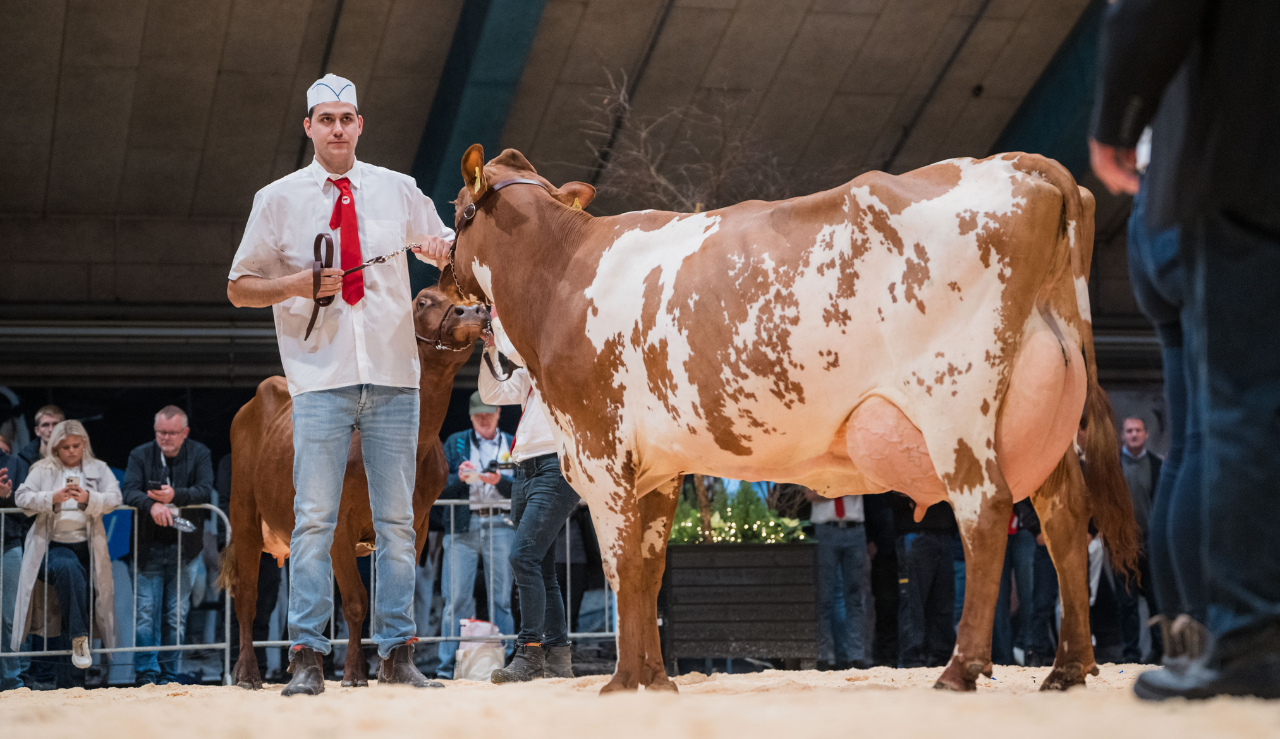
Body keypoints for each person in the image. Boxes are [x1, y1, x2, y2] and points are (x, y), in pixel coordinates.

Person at [226, 73, 453, 695]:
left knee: (399, 523)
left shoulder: (398, 190)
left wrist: (438, 247)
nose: (337, 129)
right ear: (309, 128)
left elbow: (443, 251)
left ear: (359, 125)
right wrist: (296, 284)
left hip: (393, 377)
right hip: (319, 379)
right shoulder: (277, 200)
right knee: (313, 520)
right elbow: (239, 286)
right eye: (325, 119)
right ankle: (306, 658)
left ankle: (398, 653)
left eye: (346, 119)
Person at [1091, 0, 1280, 699]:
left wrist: (1116, 118)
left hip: (1235, 159)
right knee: (1222, 422)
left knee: (1221, 420)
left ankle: (1236, 629)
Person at [479, 324, 579, 683]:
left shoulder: (566, 363)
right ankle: (558, 658)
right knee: (542, 567)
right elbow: (490, 391)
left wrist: (502, 333)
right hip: (524, 471)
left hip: (555, 466)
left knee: (522, 556)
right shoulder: (529, 376)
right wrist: (490, 349)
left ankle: (530, 652)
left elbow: (521, 349)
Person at [10, 421, 121, 677]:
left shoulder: (98, 468)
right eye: (65, 447)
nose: (71, 451)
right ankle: (80, 638)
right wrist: (53, 497)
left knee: (76, 602)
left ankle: (73, 683)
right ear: (56, 448)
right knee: (69, 569)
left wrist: (88, 499)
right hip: (51, 546)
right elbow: (21, 497)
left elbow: (115, 497)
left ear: (84, 445)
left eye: (76, 446)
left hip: (88, 547)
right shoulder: (41, 469)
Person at [121, 405, 214, 685]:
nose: (166, 438)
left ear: (184, 432)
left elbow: (205, 489)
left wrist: (176, 495)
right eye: (161, 432)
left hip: (185, 548)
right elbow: (128, 491)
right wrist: (151, 505)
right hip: (147, 546)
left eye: (172, 433)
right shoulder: (140, 454)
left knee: (176, 614)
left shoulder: (199, 453)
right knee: (146, 613)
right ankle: (146, 674)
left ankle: (169, 674)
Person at [436, 392, 515, 680]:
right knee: (455, 599)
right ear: (470, 416)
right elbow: (438, 486)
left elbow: (522, 488)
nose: (484, 418)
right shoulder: (455, 442)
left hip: (502, 524)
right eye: (478, 414)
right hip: (462, 526)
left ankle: (505, 665)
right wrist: (459, 477)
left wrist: (501, 482)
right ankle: (447, 668)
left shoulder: (511, 443)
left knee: (502, 599)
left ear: (498, 413)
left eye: (488, 413)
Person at [3, 405, 63, 689]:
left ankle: (17, 679)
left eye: (55, 424)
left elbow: (22, 503)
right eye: (46, 425)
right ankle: (20, 676)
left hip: (16, 544)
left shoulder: (15, 462)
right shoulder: (25, 458)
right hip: (23, 542)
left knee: (19, 617)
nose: (50, 430)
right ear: (37, 429)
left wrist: (7, 496)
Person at [805, 488, 871, 670]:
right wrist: (843, 488)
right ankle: (823, 656)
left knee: (855, 597)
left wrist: (827, 489)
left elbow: (865, 486)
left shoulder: (854, 463)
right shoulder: (816, 465)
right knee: (824, 597)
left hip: (855, 529)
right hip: (826, 530)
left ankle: (855, 656)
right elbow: (809, 494)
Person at [889, 493, 957, 668]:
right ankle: (911, 661)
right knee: (913, 602)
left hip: (944, 532)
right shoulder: (901, 465)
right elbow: (889, 493)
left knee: (944, 602)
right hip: (913, 532)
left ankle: (940, 658)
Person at [1116, 416, 1164, 663]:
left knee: (1156, 600)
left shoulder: (1159, 465)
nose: (1133, 434)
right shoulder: (1112, 467)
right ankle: (1130, 654)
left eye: (1138, 430)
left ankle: (1160, 650)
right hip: (1122, 545)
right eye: (1129, 431)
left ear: (1146, 434)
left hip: (1150, 544)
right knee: (1127, 603)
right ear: (1122, 435)